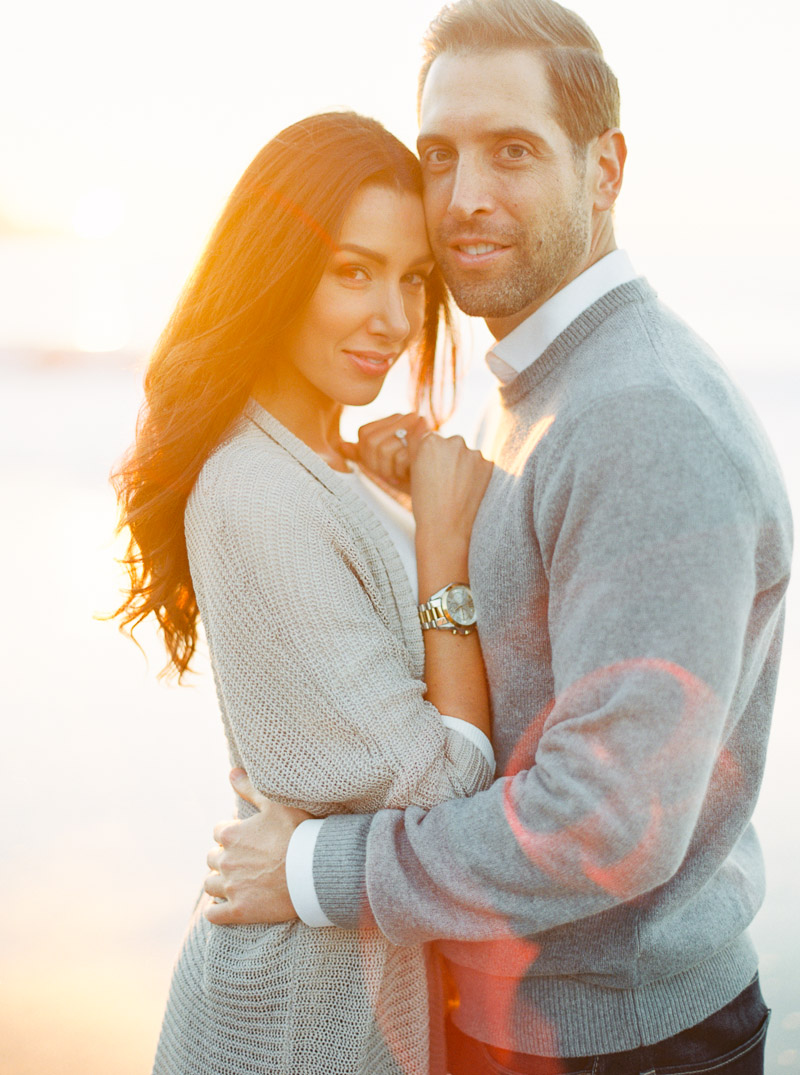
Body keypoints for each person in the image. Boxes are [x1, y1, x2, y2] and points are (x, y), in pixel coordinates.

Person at [203, 2, 793, 1073]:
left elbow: (604, 819)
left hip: (620, 1044)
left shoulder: (639, 415)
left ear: (603, 167)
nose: (462, 198)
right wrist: (413, 499)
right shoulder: (535, 387)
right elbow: (524, 646)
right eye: (439, 154)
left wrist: (313, 871)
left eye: (510, 152)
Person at [112, 111, 498, 1075]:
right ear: (278, 273)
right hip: (293, 1019)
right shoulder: (251, 488)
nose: (394, 318)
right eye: (352, 270)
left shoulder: (326, 466)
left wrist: (399, 493)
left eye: (413, 279)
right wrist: (443, 549)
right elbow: (445, 780)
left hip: (357, 990)